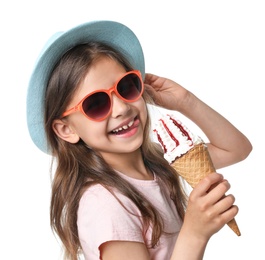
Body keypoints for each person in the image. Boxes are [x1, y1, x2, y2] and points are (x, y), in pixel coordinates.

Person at [26, 20, 252, 260]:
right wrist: (195, 234)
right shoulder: (105, 204)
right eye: (96, 103)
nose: (121, 108)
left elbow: (237, 149)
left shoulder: (157, 162)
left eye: (126, 86)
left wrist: (185, 101)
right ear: (66, 129)